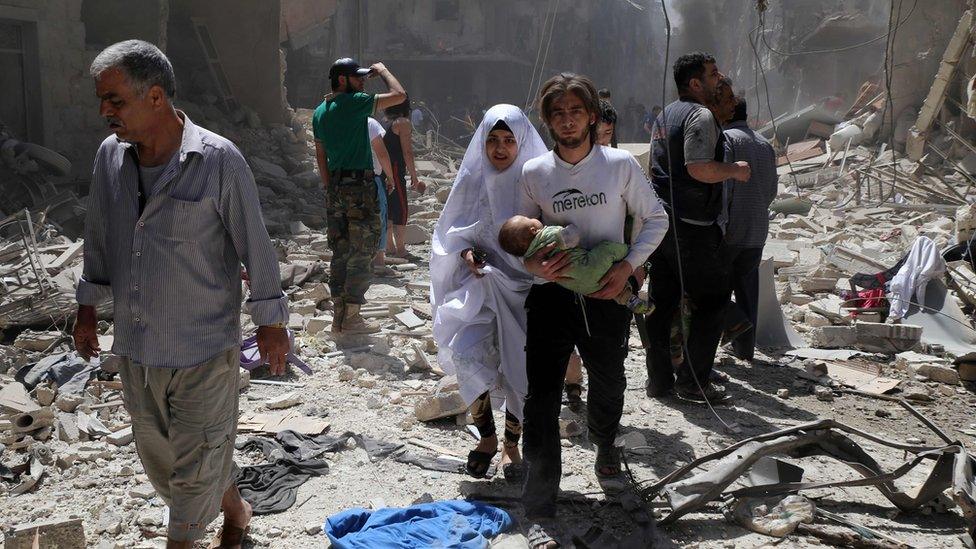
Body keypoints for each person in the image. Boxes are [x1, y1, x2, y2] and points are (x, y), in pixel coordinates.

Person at [74, 40, 289, 549]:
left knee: (192, 477)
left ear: (154, 98)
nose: (105, 111)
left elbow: (253, 243)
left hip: (204, 349)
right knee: (168, 464)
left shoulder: (217, 160)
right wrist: (86, 310)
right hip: (138, 347)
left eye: (115, 100)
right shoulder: (110, 157)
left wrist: (271, 323)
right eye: (101, 99)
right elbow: (99, 235)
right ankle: (237, 509)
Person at [517, 73, 668, 535]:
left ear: (592, 117)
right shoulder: (534, 173)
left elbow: (655, 219)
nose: (567, 121)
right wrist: (535, 269)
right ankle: (541, 499)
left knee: (610, 380)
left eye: (575, 111)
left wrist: (630, 269)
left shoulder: (620, 165)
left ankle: (604, 448)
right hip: (552, 298)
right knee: (541, 395)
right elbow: (524, 239)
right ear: (547, 121)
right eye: (557, 113)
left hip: (606, 296)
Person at [430, 105, 548, 482]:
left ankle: (511, 445)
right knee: (466, 357)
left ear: (522, 143)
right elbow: (454, 231)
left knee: (520, 372)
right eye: (492, 140)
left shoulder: (536, 181)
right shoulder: (472, 178)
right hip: (479, 288)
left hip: (526, 292)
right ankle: (487, 437)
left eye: (509, 140)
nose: (499, 149)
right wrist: (467, 254)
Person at [644, 52, 751, 403]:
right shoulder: (700, 114)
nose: (719, 79)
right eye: (712, 74)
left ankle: (659, 383)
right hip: (691, 227)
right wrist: (734, 169)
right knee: (713, 300)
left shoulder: (664, 116)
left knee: (662, 306)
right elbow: (698, 168)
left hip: (660, 226)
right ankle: (692, 383)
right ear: (695, 83)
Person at [313, 57, 406, 334]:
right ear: (342, 80)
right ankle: (352, 316)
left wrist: (330, 187)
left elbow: (320, 155)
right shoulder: (355, 104)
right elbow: (400, 95)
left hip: (336, 187)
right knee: (362, 250)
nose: (363, 80)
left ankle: (339, 316)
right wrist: (384, 70)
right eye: (358, 77)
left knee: (340, 250)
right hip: (359, 188)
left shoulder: (320, 111)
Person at [498, 215, 652, 313]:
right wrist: (571, 227)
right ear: (533, 229)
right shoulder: (547, 235)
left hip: (580, 286)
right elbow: (572, 237)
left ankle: (630, 300)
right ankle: (628, 251)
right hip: (589, 265)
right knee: (608, 249)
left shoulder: (532, 257)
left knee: (613, 290)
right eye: (529, 218)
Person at [721, 97, 777, 362]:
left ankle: (732, 329)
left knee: (714, 287)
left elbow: (724, 188)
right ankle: (745, 349)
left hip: (732, 228)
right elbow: (772, 190)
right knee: (747, 287)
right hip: (757, 228)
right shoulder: (765, 144)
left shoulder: (727, 140)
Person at [383, 97, 426, 260]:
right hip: (394, 170)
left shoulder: (383, 121)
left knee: (386, 208)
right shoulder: (402, 122)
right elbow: (407, 152)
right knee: (400, 208)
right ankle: (401, 249)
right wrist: (414, 178)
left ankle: (389, 247)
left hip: (381, 170)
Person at [366, 116, 399, 277]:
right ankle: (378, 261)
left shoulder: (338, 120)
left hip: (343, 178)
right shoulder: (370, 123)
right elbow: (382, 154)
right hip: (371, 177)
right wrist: (390, 177)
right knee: (379, 217)